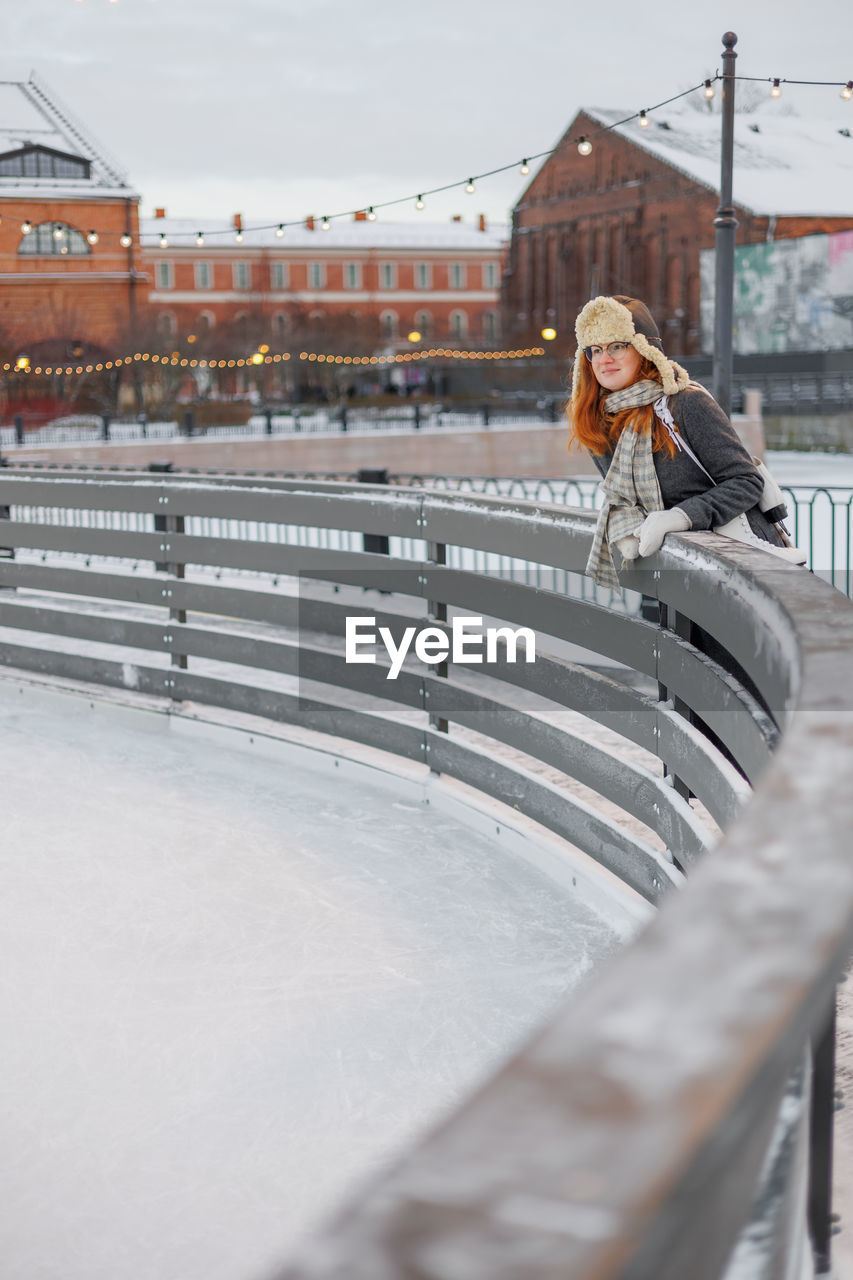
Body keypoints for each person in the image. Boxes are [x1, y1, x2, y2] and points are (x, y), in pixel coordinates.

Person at [567, 294, 790, 590]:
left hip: (737, 570)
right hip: (671, 577)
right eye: (594, 350)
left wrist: (681, 517)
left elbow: (746, 482)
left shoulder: (684, 404)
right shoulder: (600, 423)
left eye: (617, 346)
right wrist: (624, 525)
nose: (604, 359)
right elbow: (620, 500)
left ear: (644, 350)